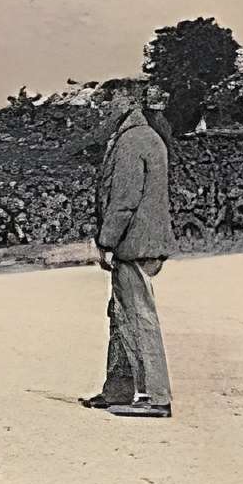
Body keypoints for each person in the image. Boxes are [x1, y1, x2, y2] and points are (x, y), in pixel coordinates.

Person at [84, 78, 175, 418]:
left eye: (106, 102)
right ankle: (119, 391)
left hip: (132, 244)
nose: (101, 109)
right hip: (139, 242)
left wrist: (106, 242)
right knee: (122, 315)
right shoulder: (142, 136)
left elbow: (124, 199)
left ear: (124, 101)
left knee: (138, 317)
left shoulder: (131, 141)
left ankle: (156, 396)